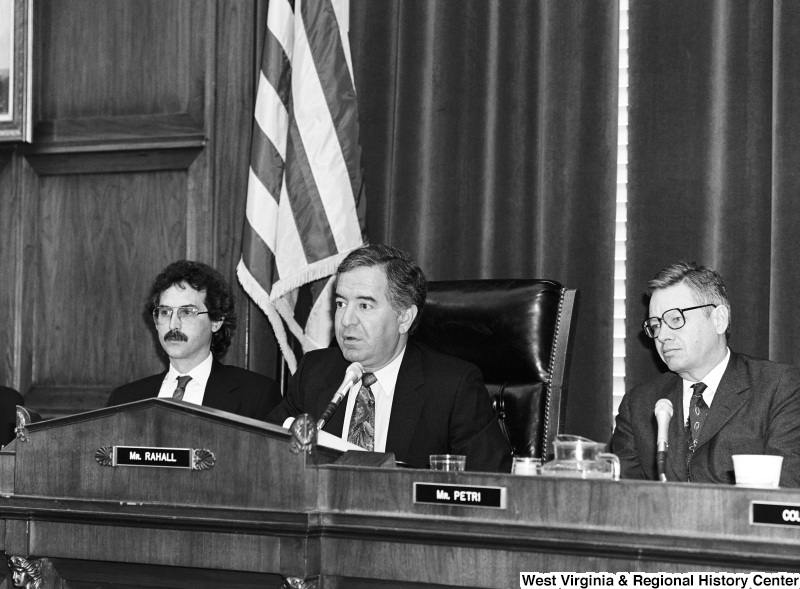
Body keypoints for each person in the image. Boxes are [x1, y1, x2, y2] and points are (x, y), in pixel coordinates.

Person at [268, 244, 510, 472]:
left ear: (404, 318)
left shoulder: (453, 387)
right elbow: (265, 449)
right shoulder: (315, 372)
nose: (346, 320)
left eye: (364, 306)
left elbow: (490, 484)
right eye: (341, 303)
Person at [611, 261, 800, 485]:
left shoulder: (777, 387)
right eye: (656, 324)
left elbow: (786, 492)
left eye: (675, 319)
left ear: (719, 319)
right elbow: (622, 501)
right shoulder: (639, 404)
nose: (662, 335)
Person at [107, 260, 281, 420]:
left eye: (187, 312)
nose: (173, 325)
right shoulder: (124, 400)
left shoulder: (256, 397)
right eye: (166, 312)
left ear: (216, 321)